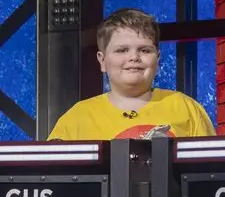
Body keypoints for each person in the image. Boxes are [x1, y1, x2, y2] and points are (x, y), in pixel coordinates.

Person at [49, 8, 215, 140]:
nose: (134, 57)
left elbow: (211, 174)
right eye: (122, 50)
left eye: (144, 50)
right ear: (102, 61)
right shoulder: (77, 118)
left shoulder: (187, 109)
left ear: (157, 59)